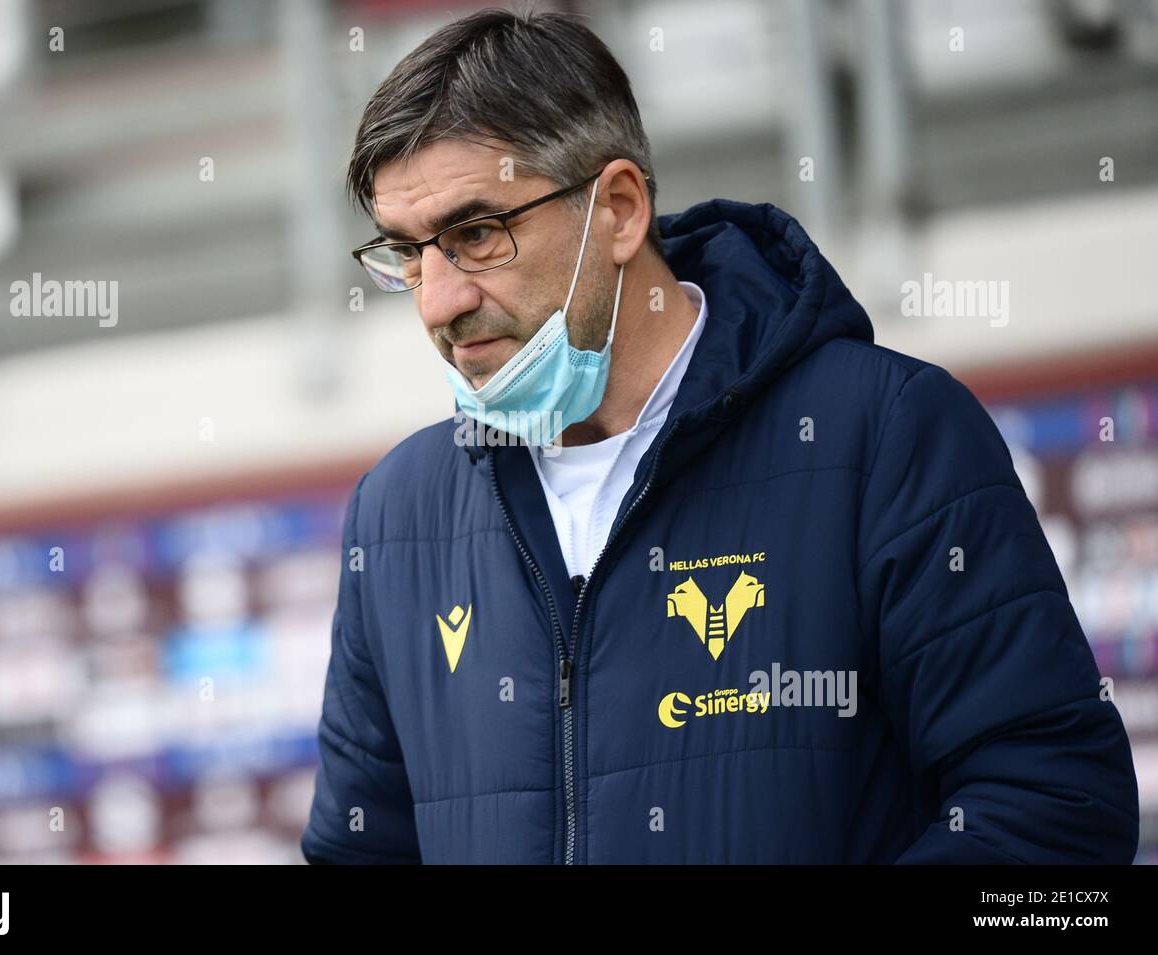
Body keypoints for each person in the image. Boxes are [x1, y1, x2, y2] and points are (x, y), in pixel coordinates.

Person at [301, 7, 1138, 864]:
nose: (437, 301)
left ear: (620, 210)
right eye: (407, 253)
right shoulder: (397, 516)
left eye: (477, 234)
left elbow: (1056, 815)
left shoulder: (885, 436)